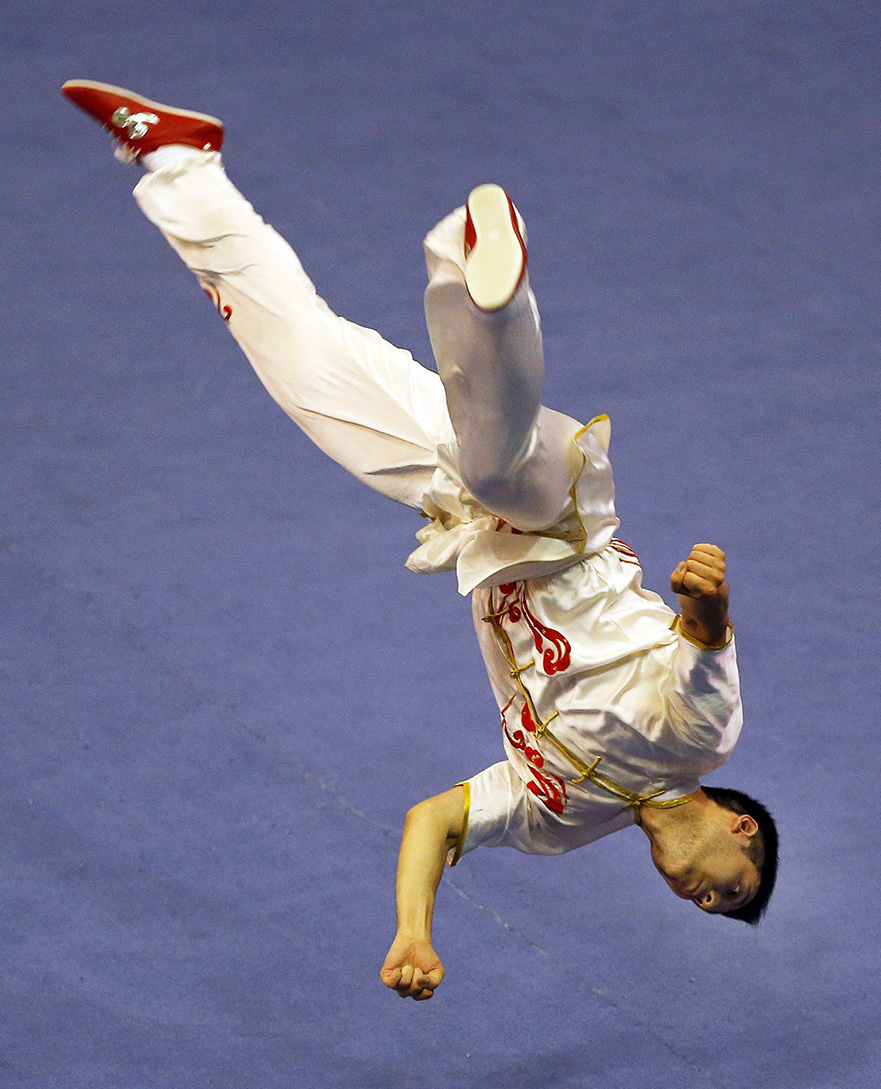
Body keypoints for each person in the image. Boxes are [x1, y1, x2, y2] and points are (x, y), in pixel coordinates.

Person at [61, 81, 779, 1002]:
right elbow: (706, 646)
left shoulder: (559, 822)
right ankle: (480, 281)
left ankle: (179, 162)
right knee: (494, 461)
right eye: (729, 888)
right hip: (560, 521)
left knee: (299, 362)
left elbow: (433, 818)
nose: (698, 895)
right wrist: (704, 599)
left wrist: (414, 931)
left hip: (466, 522)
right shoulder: (702, 740)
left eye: (701, 909)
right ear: (741, 829)